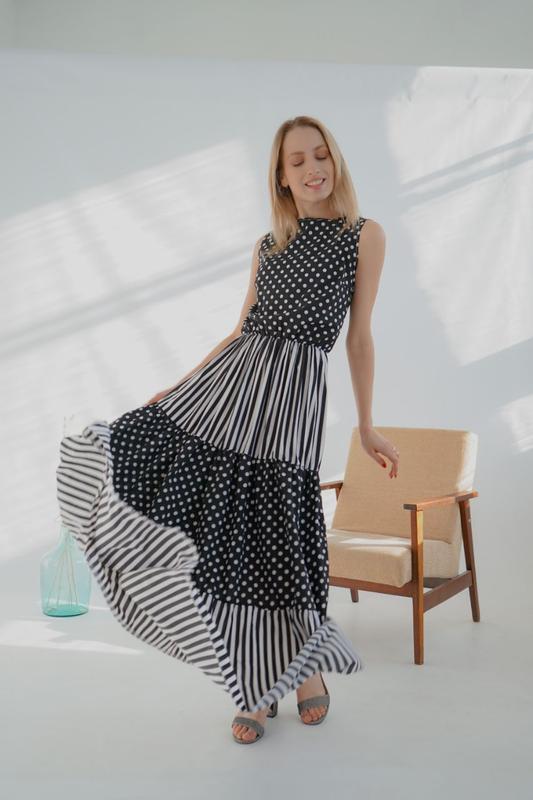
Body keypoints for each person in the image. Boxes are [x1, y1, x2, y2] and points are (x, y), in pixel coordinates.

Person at [56, 114, 399, 746]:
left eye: (320, 154)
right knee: (234, 536)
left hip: (294, 401)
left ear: (336, 160)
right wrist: (177, 386)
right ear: (281, 176)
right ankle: (254, 686)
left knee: (283, 531)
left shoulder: (363, 235)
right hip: (231, 395)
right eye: (297, 161)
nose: (312, 168)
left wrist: (368, 425)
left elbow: (359, 338)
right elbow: (241, 330)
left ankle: (306, 673)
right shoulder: (269, 245)